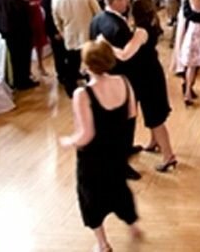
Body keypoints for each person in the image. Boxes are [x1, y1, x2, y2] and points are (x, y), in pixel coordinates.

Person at [58, 40, 143, 252]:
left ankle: (103, 244)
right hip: (118, 151)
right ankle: (133, 227)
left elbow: (87, 134)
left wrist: (69, 142)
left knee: (91, 197)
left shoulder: (83, 94)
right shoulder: (124, 81)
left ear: (86, 65)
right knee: (119, 189)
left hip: (94, 158)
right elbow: (132, 114)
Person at [106, 0, 177, 173]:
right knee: (151, 112)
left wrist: (106, 45)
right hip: (151, 72)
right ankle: (154, 142)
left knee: (155, 118)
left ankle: (169, 156)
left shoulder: (141, 31)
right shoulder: (153, 23)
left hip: (147, 76)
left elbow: (124, 54)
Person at [89, 0, 143, 180]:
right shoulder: (117, 27)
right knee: (125, 120)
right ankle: (121, 162)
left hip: (104, 77)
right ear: (115, 1)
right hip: (120, 79)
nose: (127, 2)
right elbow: (126, 57)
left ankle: (126, 149)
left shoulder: (97, 19)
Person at [52, 0, 101, 97]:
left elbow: (57, 21)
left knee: (72, 64)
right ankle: (94, 87)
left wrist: (63, 33)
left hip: (70, 35)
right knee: (92, 62)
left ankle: (71, 89)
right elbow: (98, 13)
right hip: (88, 33)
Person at [14, 0, 49, 79]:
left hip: (37, 13)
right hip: (26, 15)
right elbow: (18, 2)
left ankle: (41, 65)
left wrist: (38, 3)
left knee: (39, 42)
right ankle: (28, 69)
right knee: (29, 42)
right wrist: (28, 4)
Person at [42, 0, 69, 91]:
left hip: (66, 26)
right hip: (55, 28)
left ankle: (70, 71)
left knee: (68, 51)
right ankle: (62, 75)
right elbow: (48, 15)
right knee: (59, 53)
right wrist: (54, 32)